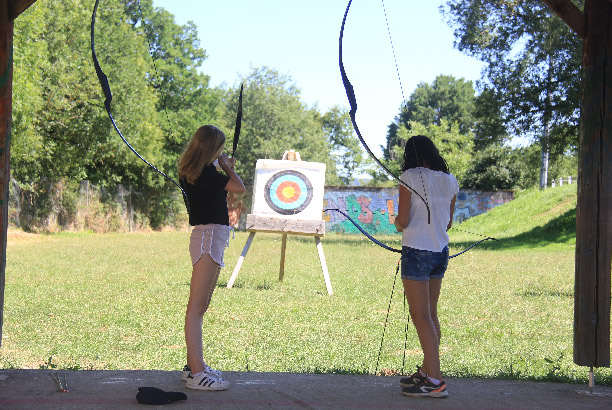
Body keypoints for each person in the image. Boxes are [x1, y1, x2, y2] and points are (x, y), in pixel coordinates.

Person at [177, 125, 246, 391]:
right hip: (208, 238)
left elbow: (227, 192)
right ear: (211, 148)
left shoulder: (201, 172)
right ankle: (197, 373)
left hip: (213, 236)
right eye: (219, 148)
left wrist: (220, 166)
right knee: (196, 308)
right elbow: (239, 188)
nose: (222, 152)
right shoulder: (206, 173)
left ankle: (193, 366)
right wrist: (227, 166)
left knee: (201, 306)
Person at [393, 135, 458, 398]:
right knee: (430, 314)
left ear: (410, 155)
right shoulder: (451, 180)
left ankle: (435, 381)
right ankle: (426, 371)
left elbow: (403, 220)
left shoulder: (408, 176)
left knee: (421, 316)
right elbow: (448, 223)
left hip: (417, 252)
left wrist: (396, 224)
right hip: (440, 252)